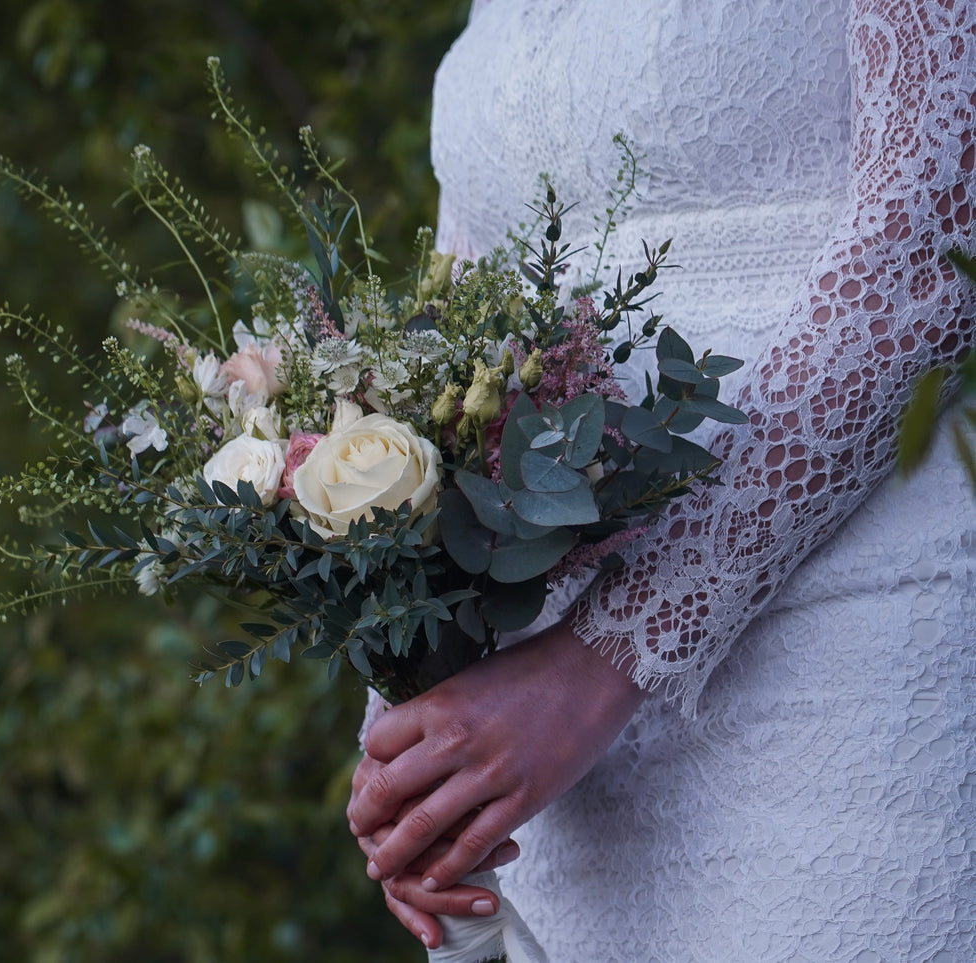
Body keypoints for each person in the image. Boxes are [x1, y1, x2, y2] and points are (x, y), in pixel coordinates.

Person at [346, 0, 976, 957]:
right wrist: (419, 668)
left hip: (848, 650)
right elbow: (466, 323)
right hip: (548, 754)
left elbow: (932, 249)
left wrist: (600, 662)